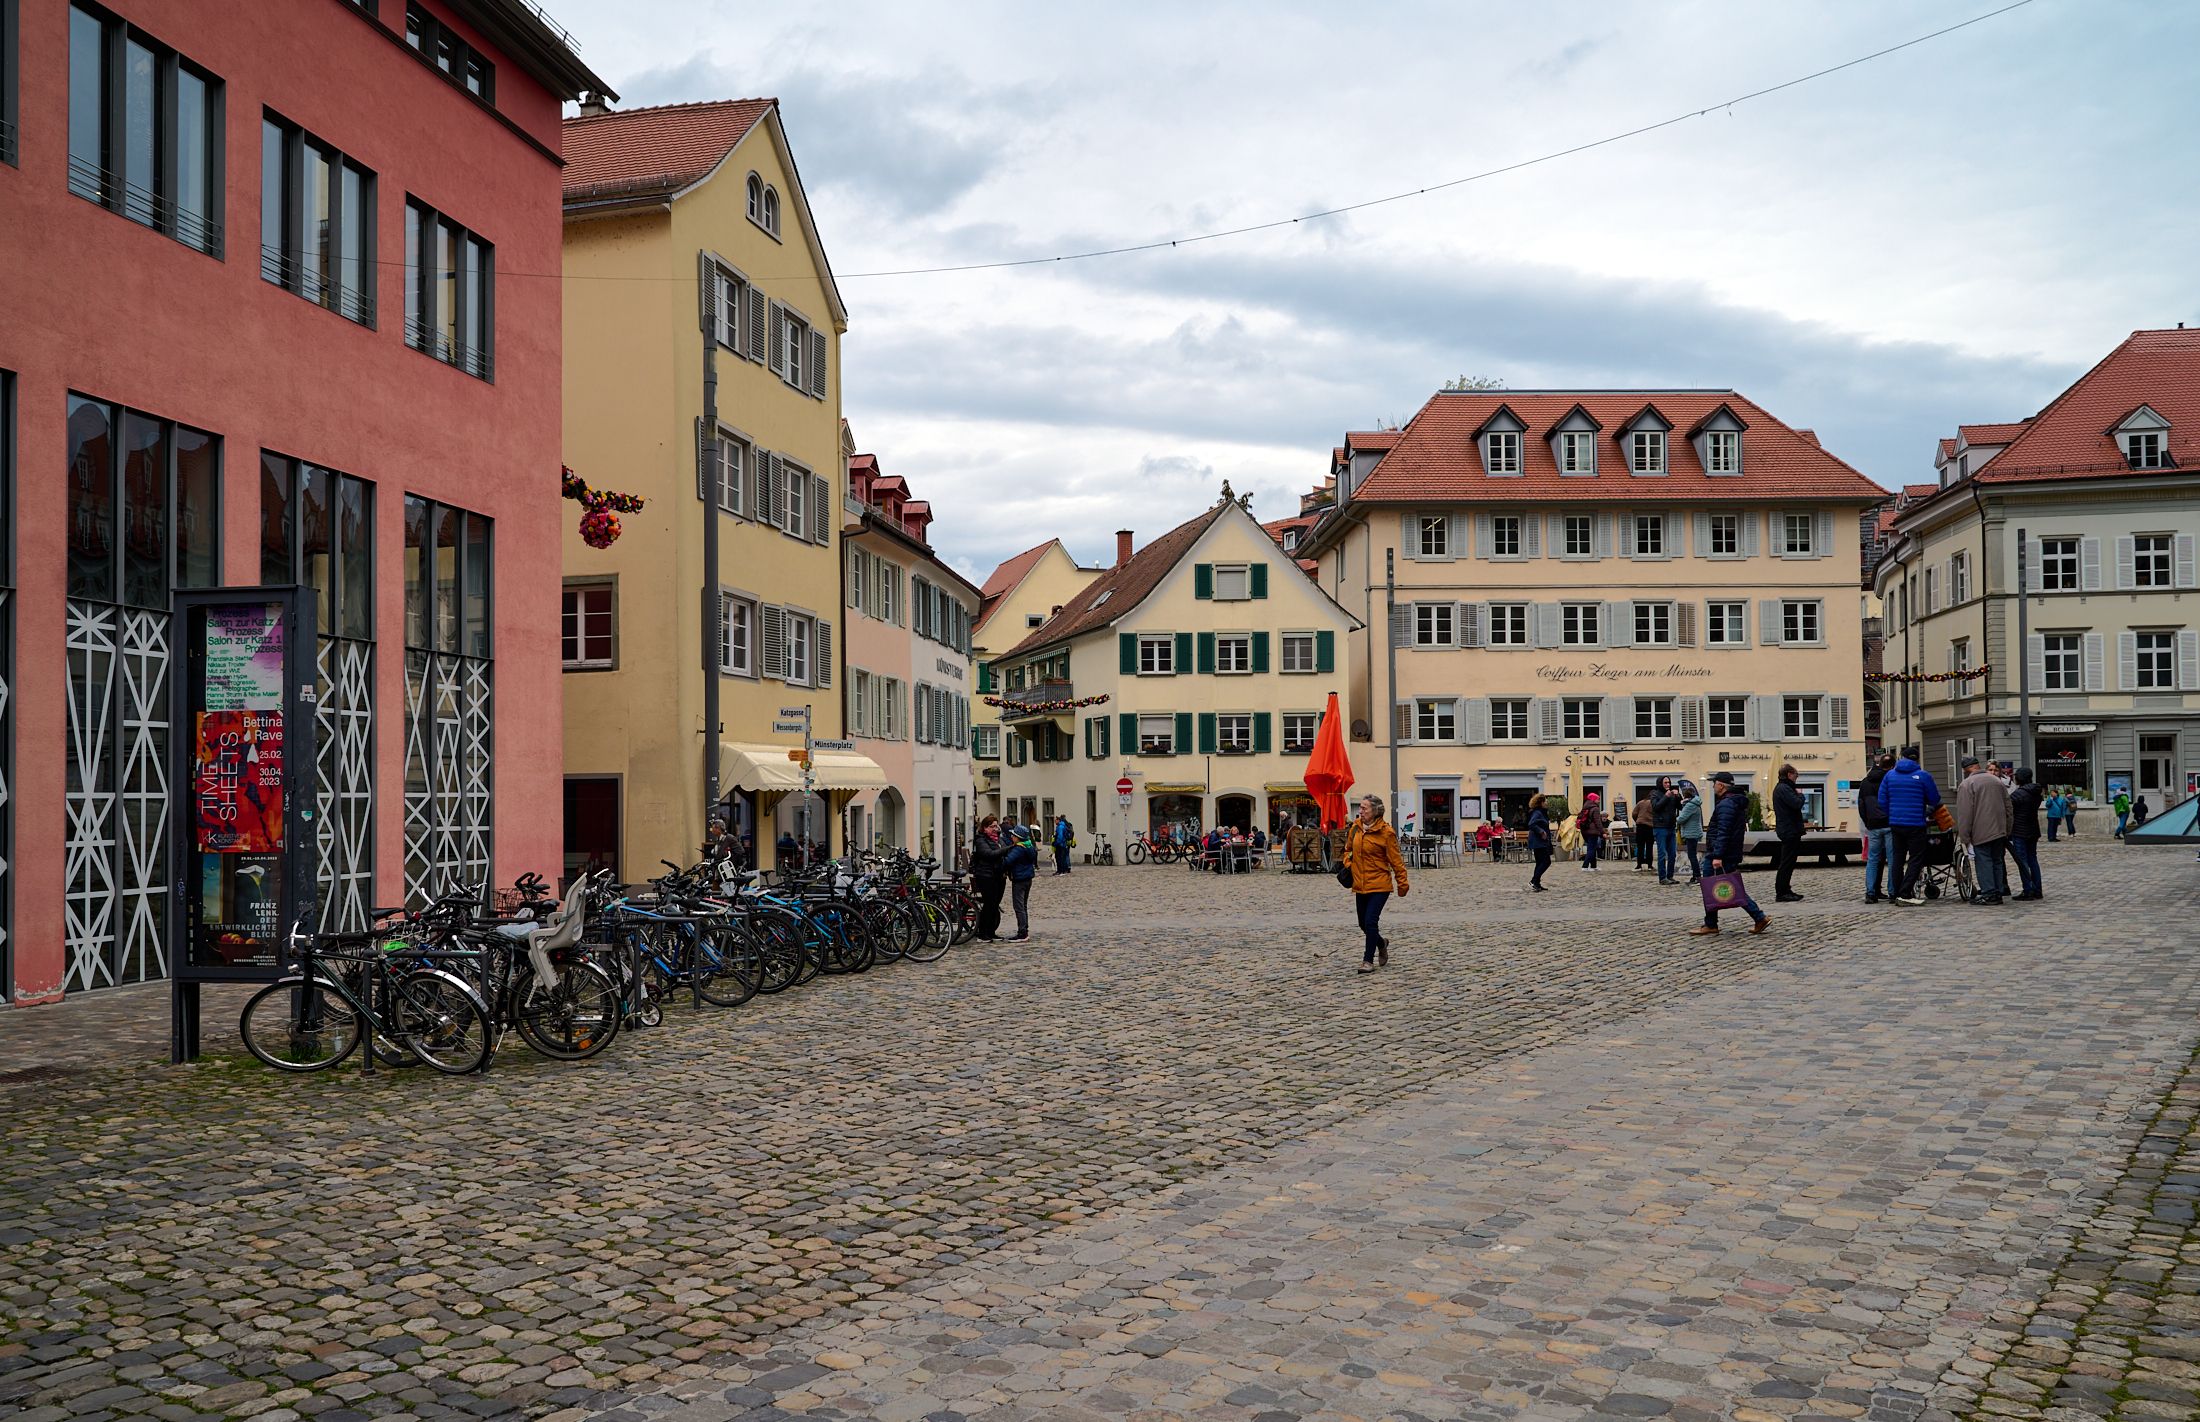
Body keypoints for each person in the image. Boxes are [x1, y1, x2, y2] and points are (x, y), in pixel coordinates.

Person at [1690, 771, 1769, 936]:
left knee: (1712, 887)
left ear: (1721, 785)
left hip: (1720, 854)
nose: (1713, 787)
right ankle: (1758, 917)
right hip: (1729, 852)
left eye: (1714, 784)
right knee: (1731, 887)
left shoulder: (1726, 804)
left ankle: (1711, 924)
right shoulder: (1733, 802)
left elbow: (1724, 832)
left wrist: (1717, 855)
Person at [1343, 794, 1410, 973]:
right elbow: (1347, 850)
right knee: (1363, 924)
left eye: (1364, 808)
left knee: (1371, 922)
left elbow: (1396, 861)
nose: (1360, 811)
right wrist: (1349, 863)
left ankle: (1367, 961)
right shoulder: (1355, 829)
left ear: (1375, 811)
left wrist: (1402, 883)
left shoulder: (1386, 833)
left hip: (1380, 884)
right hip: (1360, 883)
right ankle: (1381, 943)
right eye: (1360, 808)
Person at [1879, 749, 1943, 907]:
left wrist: (1892, 813)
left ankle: (1895, 893)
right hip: (1915, 824)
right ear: (1917, 758)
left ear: (1901, 757)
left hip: (1896, 824)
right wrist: (1925, 810)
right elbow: (1934, 798)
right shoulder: (1923, 775)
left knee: (1897, 859)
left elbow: (1881, 800)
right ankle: (1905, 892)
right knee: (1916, 858)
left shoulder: (1890, 775)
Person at [1954, 755, 2010, 907]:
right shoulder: (1997, 781)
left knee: (1983, 861)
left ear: (1965, 770)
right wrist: (2007, 829)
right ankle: (1998, 891)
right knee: (1997, 861)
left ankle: (1989, 893)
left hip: (1981, 831)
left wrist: (1964, 836)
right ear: (1978, 766)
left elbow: (1965, 814)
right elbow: (2008, 807)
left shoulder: (1967, 784)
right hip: (1999, 829)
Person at [1860, 750, 1894, 903]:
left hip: (1873, 825)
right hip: (1889, 823)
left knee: (1872, 859)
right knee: (1893, 859)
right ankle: (1893, 891)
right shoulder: (1891, 780)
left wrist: (1867, 822)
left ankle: (1871, 892)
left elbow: (1861, 806)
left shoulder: (1865, 782)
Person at [1771, 763, 1807, 903]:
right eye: (1796, 775)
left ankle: (1786, 889)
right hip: (1789, 829)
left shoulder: (1783, 788)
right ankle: (1782, 892)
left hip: (1789, 829)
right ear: (1789, 774)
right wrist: (1801, 796)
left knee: (1789, 862)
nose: (1796, 778)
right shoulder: (1784, 788)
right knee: (1787, 862)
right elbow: (1796, 803)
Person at [969, 816, 1008, 941]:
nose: (994, 829)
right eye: (991, 826)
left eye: (995, 826)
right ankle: (983, 933)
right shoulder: (980, 840)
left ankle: (991, 932)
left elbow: (1003, 849)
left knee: (995, 904)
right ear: (985, 827)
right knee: (989, 904)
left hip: (998, 875)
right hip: (985, 875)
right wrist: (1005, 849)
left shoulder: (999, 839)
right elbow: (989, 854)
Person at [2008, 768, 2045, 900]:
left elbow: (2008, 809)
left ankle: (2028, 890)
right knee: (2033, 859)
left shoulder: (2018, 794)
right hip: (2033, 829)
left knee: (2022, 861)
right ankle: (2037, 889)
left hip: (2020, 830)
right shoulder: (2035, 792)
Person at [1004, 823, 1040, 940]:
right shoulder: (1029, 846)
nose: (1012, 837)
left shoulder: (1019, 849)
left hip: (1019, 879)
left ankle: (1022, 932)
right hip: (1027, 878)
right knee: (1023, 906)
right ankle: (1024, 929)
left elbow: (1007, 861)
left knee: (1019, 906)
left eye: (1014, 835)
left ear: (1018, 837)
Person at [1651, 776, 1681, 885]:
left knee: (1672, 854)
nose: (1668, 784)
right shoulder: (1655, 794)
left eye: (1669, 782)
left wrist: (1678, 797)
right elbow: (1656, 807)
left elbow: (1680, 807)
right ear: (1660, 783)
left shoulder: (1672, 794)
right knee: (1662, 853)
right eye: (1665, 782)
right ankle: (1662, 877)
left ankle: (1670, 876)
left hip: (1671, 826)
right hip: (1660, 827)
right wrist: (1665, 797)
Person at [1676, 781, 1705, 884]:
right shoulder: (1695, 803)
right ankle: (1695, 876)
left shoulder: (1690, 805)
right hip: (1694, 831)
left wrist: (1677, 818)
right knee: (1692, 855)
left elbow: (1681, 819)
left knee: (1692, 855)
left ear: (1686, 795)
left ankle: (1697, 876)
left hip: (1691, 833)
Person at [1525, 793, 1553, 892]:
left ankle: (1536, 883)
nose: (1547, 802)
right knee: (1546, 862)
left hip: (1539, 841)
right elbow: (1532, 824)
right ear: (1541, 802)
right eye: (1545, 801)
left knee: (1540, 862)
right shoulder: (1538, 813)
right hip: (1538, 842)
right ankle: (1533, 881)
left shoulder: (1541, 812)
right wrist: (1541, 831)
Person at [1577, 792, 1608, 871]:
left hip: (1585, 831)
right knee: (1591, 849)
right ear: (1593, 799)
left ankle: (1594, 866)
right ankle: (1585, 866)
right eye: (1598, 799)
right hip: (1593, 832)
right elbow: (1598, 822)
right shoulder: (1595, 809)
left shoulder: (1585, 807)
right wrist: (1603, 832)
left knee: (1592, 848)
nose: (1599, 801)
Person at [1632, 791, 1656, 872]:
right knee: (1649, 846)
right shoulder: (1654, 803)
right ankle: (1649, 865)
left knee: (1640, 846)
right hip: (1650, 827)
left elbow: (1634, 813)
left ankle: (1639, 865)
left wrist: (1638, 820)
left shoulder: (1640, 803)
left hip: (1640, 826)